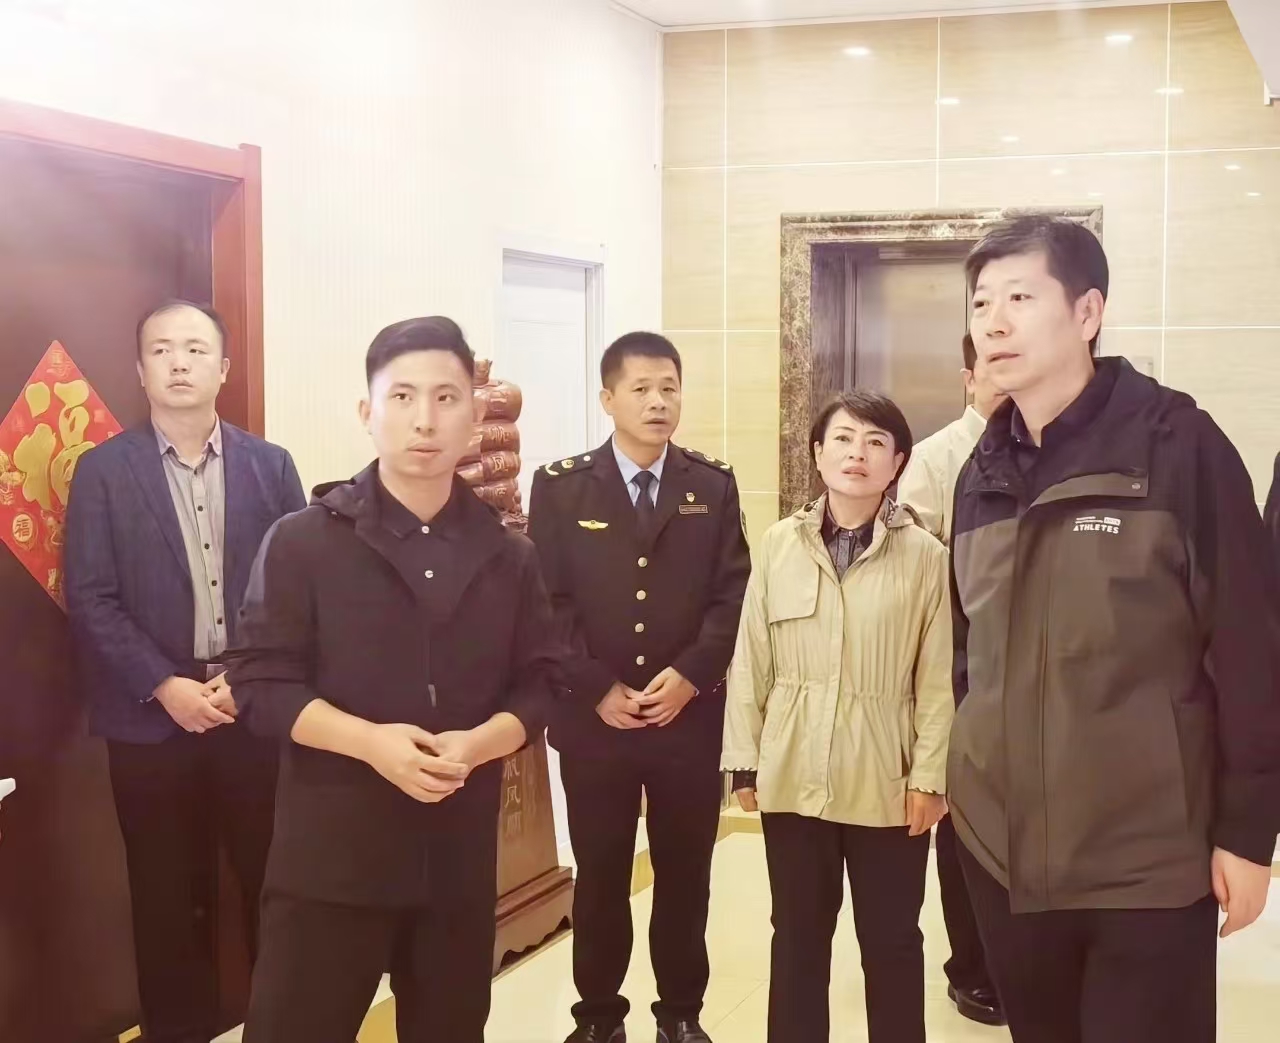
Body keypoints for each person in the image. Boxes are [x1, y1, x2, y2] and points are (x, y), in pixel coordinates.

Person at [949, 215, 1280, 1043]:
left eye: (1020, 297)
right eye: (982, 302)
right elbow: (970, 657)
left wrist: (1248, 833)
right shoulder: (979, 472)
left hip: (1147, 863)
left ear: (1088, 311)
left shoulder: (1178, 445)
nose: (994, 322)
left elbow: (1250, 646)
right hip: (1005, 858)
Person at [224, 317, 561, 1043]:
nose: (424, 419)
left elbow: (539, 685)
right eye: (402, 396)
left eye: (446, 397)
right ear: (367, 411)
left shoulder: (509, 554)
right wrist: (373, 743)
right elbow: (260, 683)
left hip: (455, 859)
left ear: (474, 413)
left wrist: (478, 744)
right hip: (330, 855)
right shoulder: (305, 541)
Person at [64, 300, 306, 1043]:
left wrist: (246, 677)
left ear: (223, 368)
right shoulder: (103, 471)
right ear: (140, 370)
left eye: (195, 348)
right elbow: (91, 596)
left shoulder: (271, 466)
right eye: (161, 349)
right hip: (149, 722)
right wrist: (164, 685)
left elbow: (297, 591)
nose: (178, 361)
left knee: (276, 888)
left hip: (251, 713)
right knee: (166, 903)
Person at [527, 332, 751, 1043]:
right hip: (595, 723)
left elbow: (732, 595)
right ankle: (598, 1016)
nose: (658, 402)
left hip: (688, 721)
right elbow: (544, 601)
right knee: (600, 874)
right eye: (641, 389)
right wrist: (595, 686)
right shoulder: (561, 486)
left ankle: (680, 1013)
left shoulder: (711, 485)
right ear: (608, 398)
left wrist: (691, 675)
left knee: (685, 875)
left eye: (669, 388)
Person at [722, 390, 952, 1043]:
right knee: (796, 936)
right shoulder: (779, 545)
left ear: (897, 462)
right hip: (794, 771)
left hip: (886, 779)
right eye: (844, 439)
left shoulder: (926, 557)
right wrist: (744, 759)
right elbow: (752, 658)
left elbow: (937, 679)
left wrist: (930, 777)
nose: (858, 453)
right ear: (818, 453)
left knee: (892, 940)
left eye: (876, 442)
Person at [895, 334, 1006, 1027]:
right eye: (994, 367)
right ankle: (972, 967)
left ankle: (1020, 960)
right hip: (959, 667)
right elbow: (917, 568)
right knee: (965, 828)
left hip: (1025, 672)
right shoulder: (936, 458)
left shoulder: (1053, 447)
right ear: (968, 377)